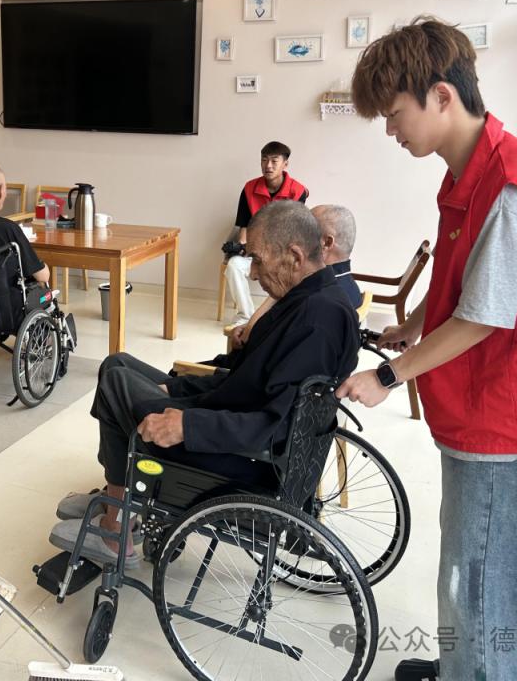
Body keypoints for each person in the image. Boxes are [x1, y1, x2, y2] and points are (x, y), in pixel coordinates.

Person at [337, 18, 517, 681]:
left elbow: (481, 317)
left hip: (507, 416)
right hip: (490, 404)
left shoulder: (510, 185)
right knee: (471, 572)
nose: (391, 131)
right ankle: (460, 669)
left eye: (395, 114)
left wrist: (388, 374)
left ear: (441, 96)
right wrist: (416, 321)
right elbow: (466, 278)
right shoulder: (470, 172)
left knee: (480, 585)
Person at [50, 201, 359, 566]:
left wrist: (188, 425)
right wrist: (180, 388)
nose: (252, 273)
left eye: (257, 260)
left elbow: (276, 428)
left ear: (294, 256)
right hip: (228, 418)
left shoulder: (316, 321)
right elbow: (245, 381)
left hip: (238, 455)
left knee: (116, 384)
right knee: (117, 363)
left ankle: (115, 529)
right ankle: (118, 496)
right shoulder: (310, 301)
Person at [231, 203, 362, 350]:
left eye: (308, 231)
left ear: (326, 243)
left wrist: (252, 328)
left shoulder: (325, 300)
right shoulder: (346, 287)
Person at [224, 141, 309, 323]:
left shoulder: (297, 191)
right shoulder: (249, 188)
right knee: (234, 265)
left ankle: (281, 318)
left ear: (285, 164)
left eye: (274, 161)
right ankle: (246, 316)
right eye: (264, 160)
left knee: (297, 273)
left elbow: (294, 231)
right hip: (255, 251)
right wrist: (242, 249)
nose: (268, 165)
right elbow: (244, 226)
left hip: (283, 253)